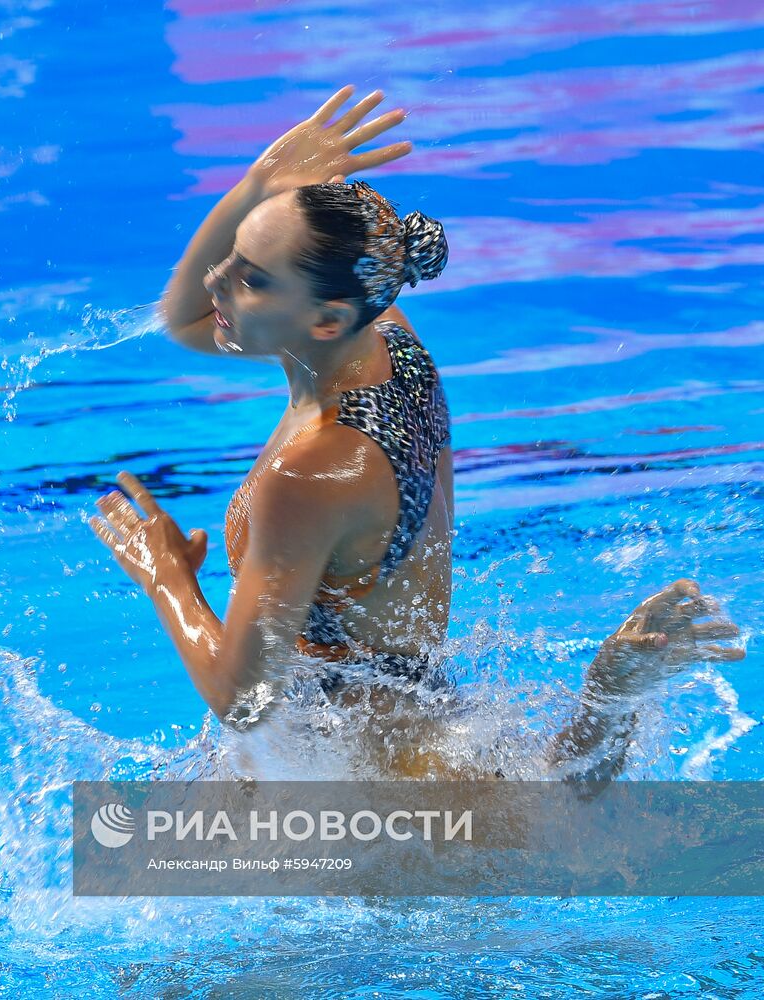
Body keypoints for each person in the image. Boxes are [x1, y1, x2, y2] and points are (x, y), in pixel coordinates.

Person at [88, 85, 744, 778]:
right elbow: (187, 317)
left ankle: (605, 699)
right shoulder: (391, 344)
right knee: (541, 811)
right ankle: (604, 703)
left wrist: (165, 577)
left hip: (361, 781)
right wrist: (258, 186)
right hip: (406, 731)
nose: (217, 280)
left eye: (249, 278)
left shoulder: (312, 472)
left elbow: (245, 700)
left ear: (326, 320)